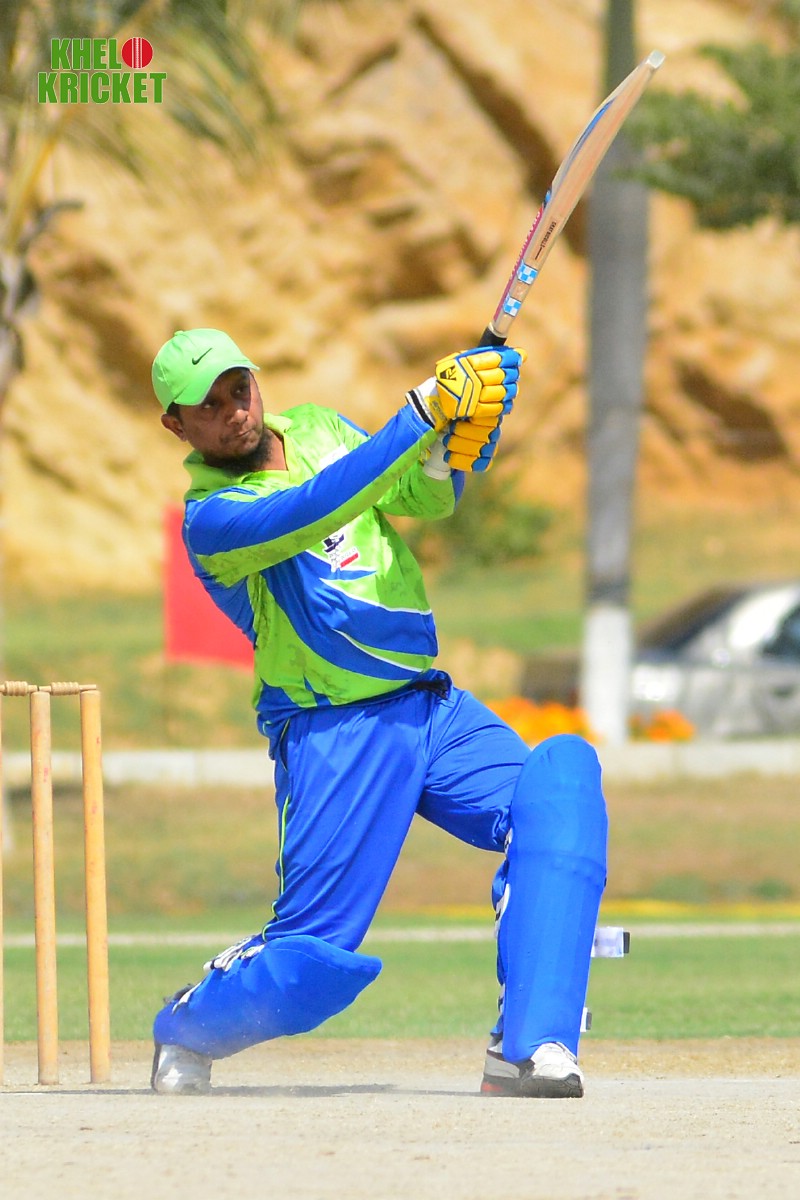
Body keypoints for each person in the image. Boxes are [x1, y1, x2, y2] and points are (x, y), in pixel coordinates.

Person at [149, 327, 608, 1098]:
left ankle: (530, 1045)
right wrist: (421, 411)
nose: (234, 411)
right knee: (306, 968)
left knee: (561, 789)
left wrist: (458, 440)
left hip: (429, 708)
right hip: (335, 731)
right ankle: (188, 1022)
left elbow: (423, 495)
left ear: (255, 378)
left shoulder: (320, 427)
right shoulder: (212, 518)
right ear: (176, 425)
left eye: (239, 388)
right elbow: (314, 507)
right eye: (209, 406)